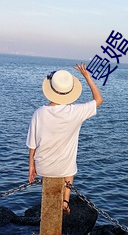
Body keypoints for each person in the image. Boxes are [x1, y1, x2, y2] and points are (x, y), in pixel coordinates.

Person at [26, 63, 103, 214]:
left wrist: (31, 167)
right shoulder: (75, 112)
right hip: (64, 168)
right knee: (69, 165)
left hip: (43, 168)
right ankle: (65, 201)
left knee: (57, 162)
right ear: (70, 91)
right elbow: (99, 99)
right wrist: (87, 77)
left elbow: (32, 145)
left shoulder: (39, 113)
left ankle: (55, 204)